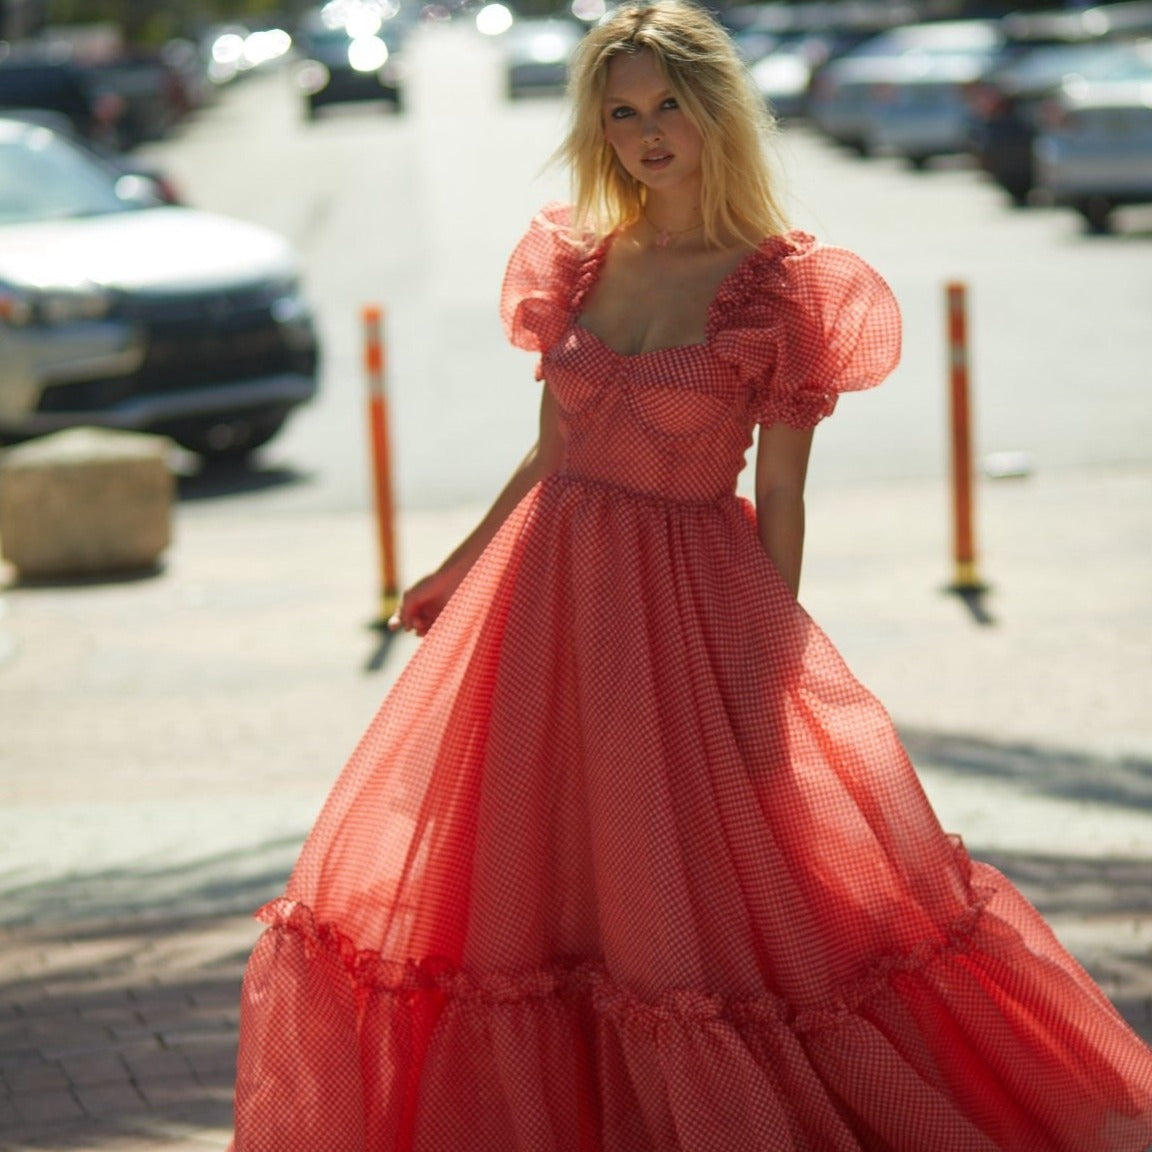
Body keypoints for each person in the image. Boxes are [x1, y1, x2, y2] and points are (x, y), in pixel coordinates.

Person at [228, 3, 1152, 1148]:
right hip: (545, 601)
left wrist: (763, 663)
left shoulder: (778, 289)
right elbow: (554, 448)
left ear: (719, 110)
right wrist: (459, 567)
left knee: (698, 905)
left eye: (670, 106)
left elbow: (790, 493)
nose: (647, 134)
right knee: (536, 882)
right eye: (622, 113)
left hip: (685, 604)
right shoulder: (578, 259)